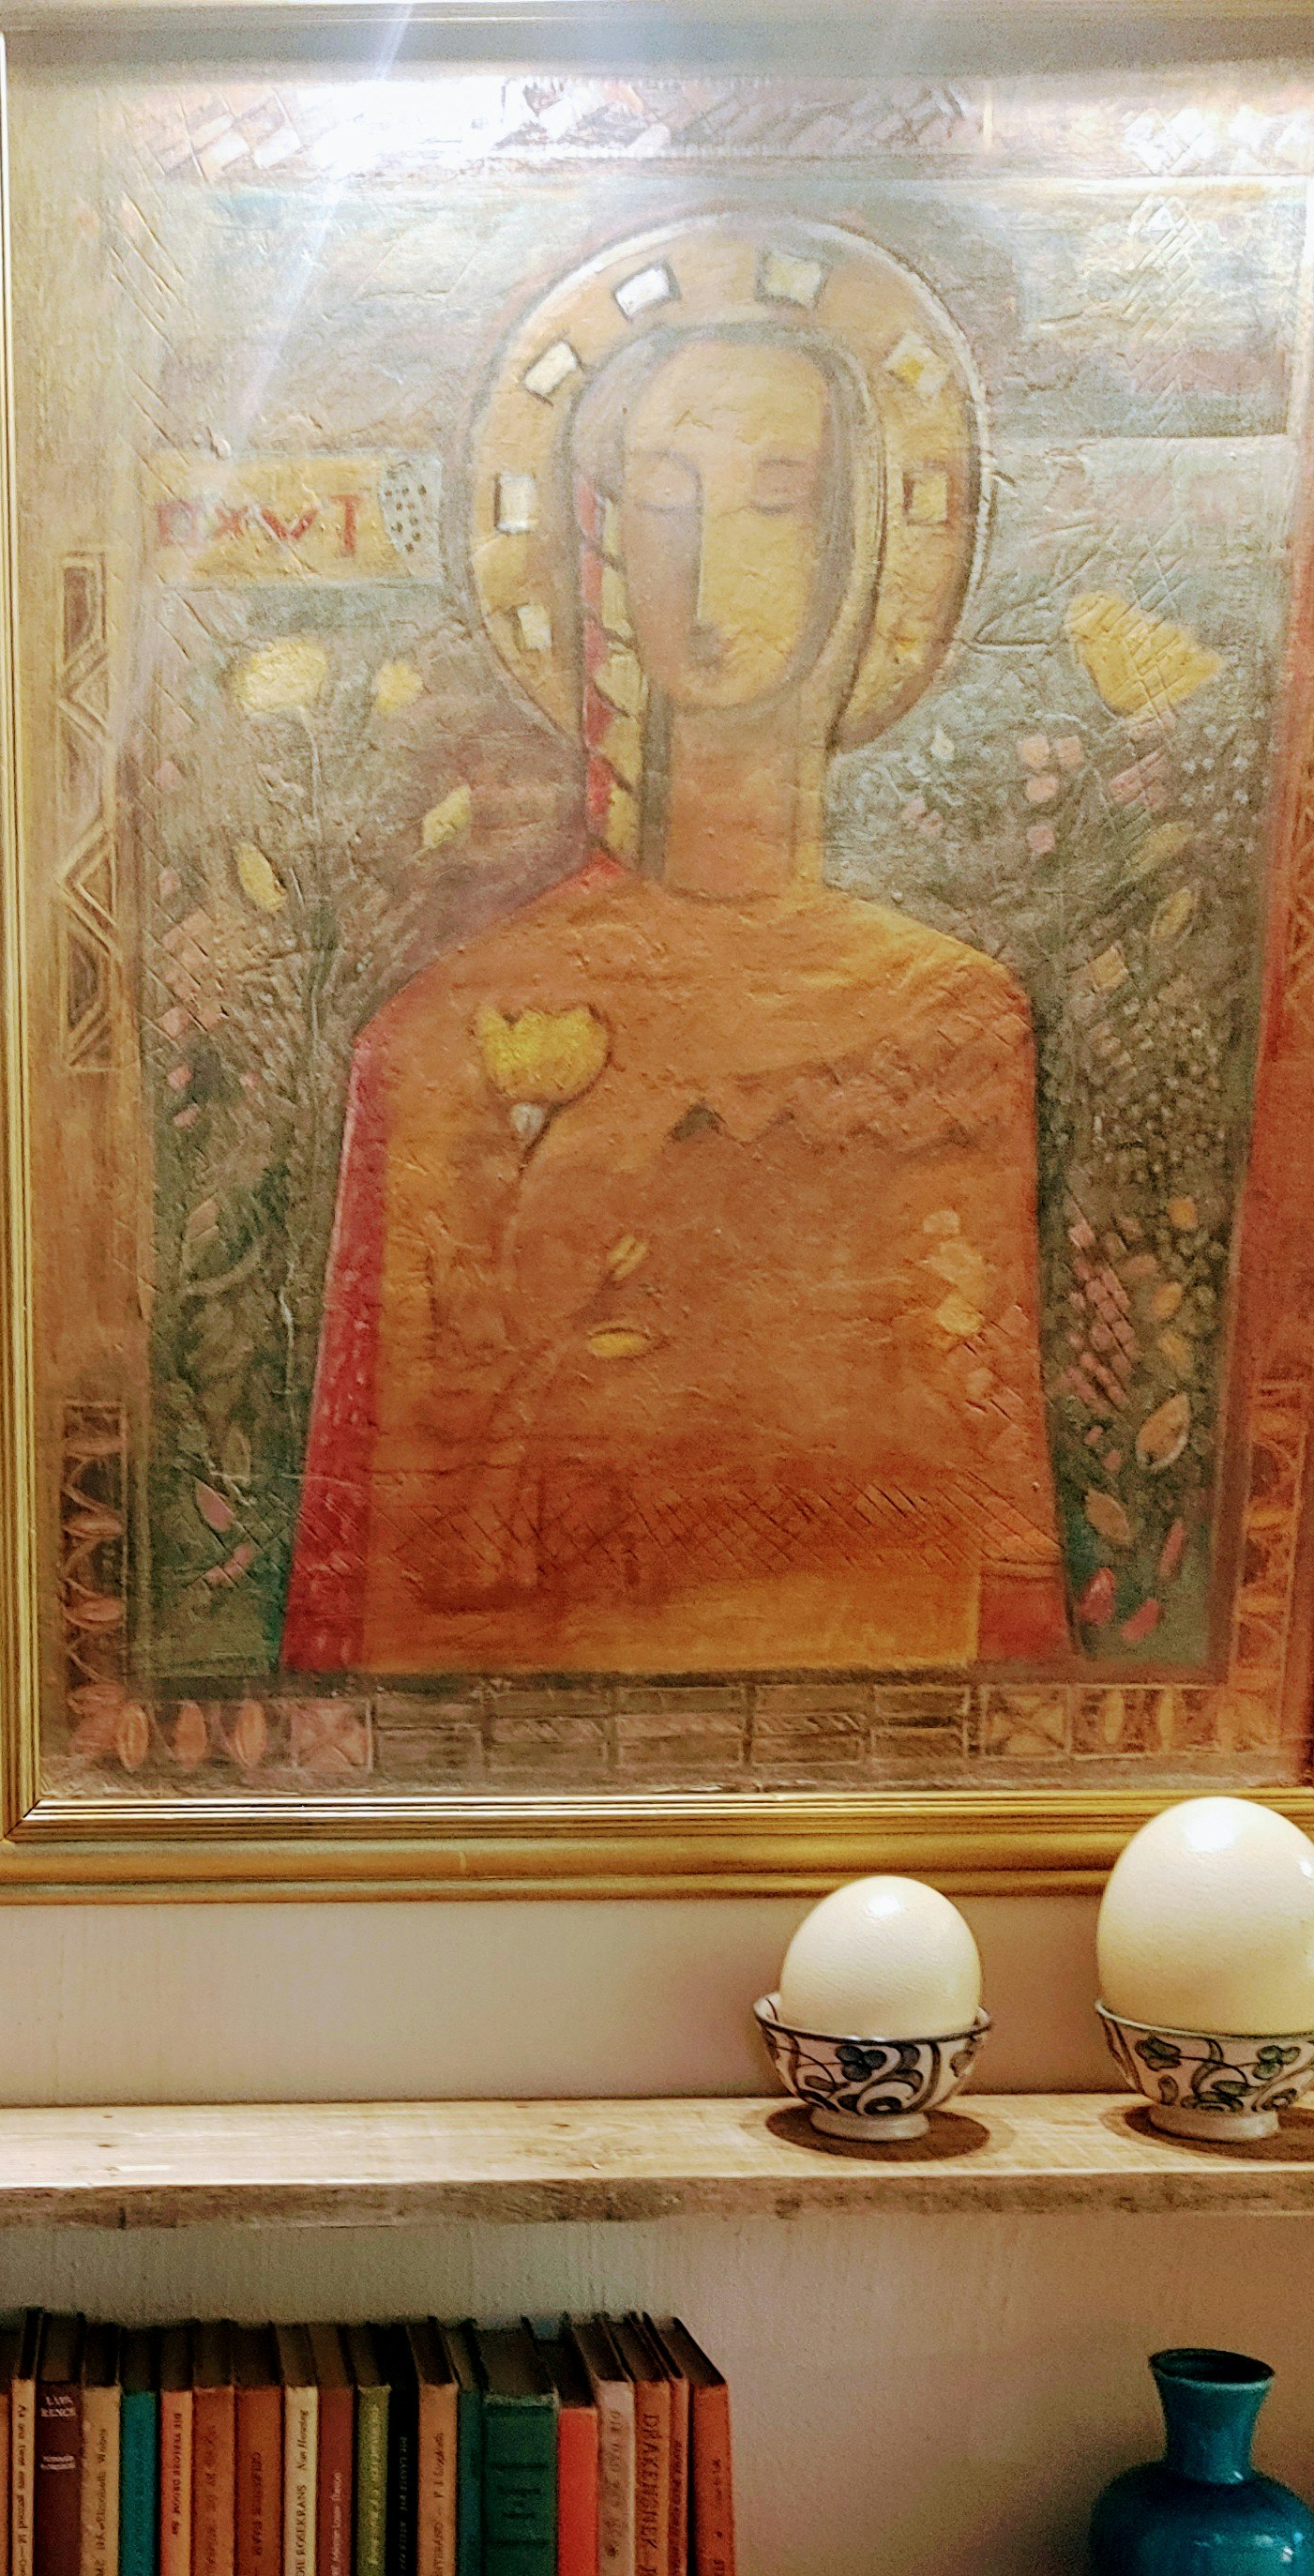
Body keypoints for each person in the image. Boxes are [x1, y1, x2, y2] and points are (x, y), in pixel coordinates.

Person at [281, 223, 1067, 1679]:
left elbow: (992, 1552)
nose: (710, 561)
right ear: (593, 541)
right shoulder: (445, 1039)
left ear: (858, 545)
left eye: (777, 498)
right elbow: (393, 1595)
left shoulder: (951, 1018)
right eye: (663, 496)